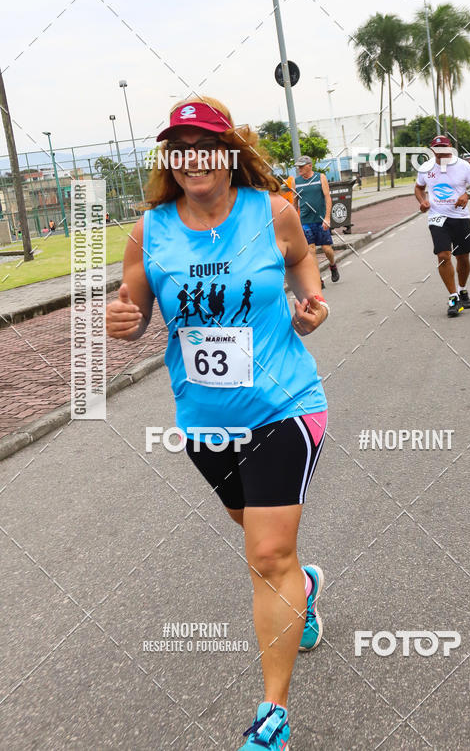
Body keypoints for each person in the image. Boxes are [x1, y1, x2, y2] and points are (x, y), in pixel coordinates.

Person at [106, 95, 330, 751]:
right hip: (205, 421)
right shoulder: (152, 232)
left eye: (203, 144)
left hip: (285, 404)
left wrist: (311, 302)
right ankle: (304, 586)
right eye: (177, 148)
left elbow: (301, 260)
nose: (191, 158)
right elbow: (134, 308)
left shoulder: (273, 212)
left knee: (265, 552)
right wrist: (124, 322)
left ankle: (272, 716)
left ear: (229, 153)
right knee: (255, 531)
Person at [414, 134, 470, 318]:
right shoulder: (426, 168)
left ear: (450, 147)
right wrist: (422, 201)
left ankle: (462, 289)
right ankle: (453, 298)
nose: (440, 153)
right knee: (443, 255)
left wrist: (467, 194)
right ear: (432, 150)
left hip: (460, 217)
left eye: (444, 148)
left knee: (462, 257)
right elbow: (419, 188)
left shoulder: (463, 165)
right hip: (437, 217)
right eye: (437, 150)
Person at [290, 155, 340, 287]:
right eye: (298, 167)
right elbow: (294, 203)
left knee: (326, 249)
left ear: (309, 166)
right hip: (305, 221)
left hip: (321, 220)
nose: (299, 169)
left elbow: (328, 198)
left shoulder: (320, 177)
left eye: (302, 166)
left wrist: (327, 218)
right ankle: (318, 278)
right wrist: (294, 221)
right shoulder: (296, 182)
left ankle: (333, 265)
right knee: (311, 250)